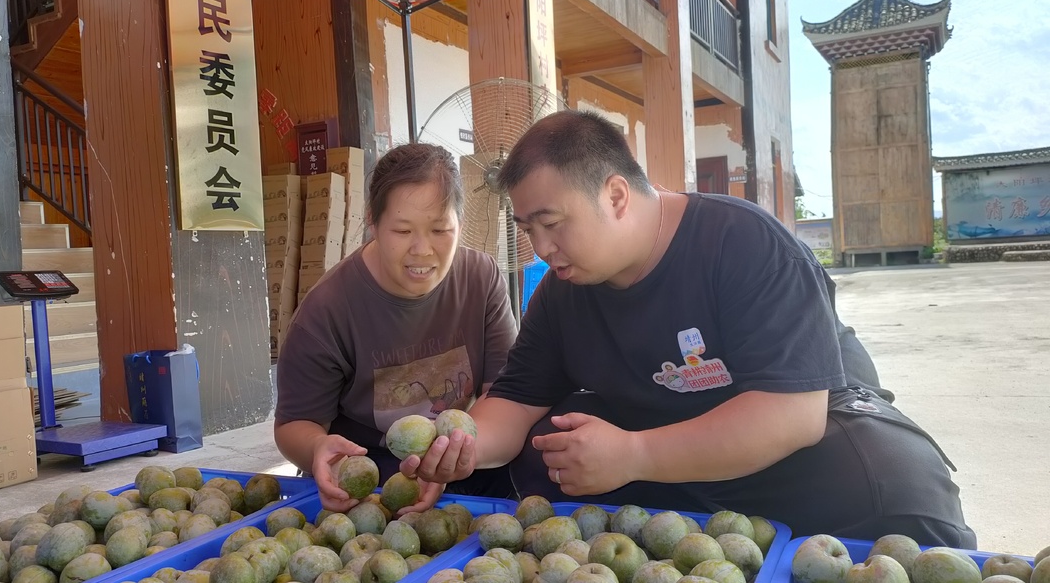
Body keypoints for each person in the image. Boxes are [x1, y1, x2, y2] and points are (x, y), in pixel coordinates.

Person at [402, 110, 977, 548]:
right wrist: (460, 449)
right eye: (528, 228)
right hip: (666, 454)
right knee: (542, 448)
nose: (541, 247)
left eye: (552, 223)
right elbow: (515, 400)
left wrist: (634, 455)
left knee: (889, 481)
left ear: (617, 195)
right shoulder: (562, 291)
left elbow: (792, 414)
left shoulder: (742, 244)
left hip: (797, 445)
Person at [274, 142, 518, 514]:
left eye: (440, 229)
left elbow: (502, 395)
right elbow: (295, 423)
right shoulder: (328, 310)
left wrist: (456, 456)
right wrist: (317, 450)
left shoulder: (481, 279)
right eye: (402, 232)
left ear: (460, 224)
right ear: (373, 221)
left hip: (462, 469)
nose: (422, 251)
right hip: (367, 486)